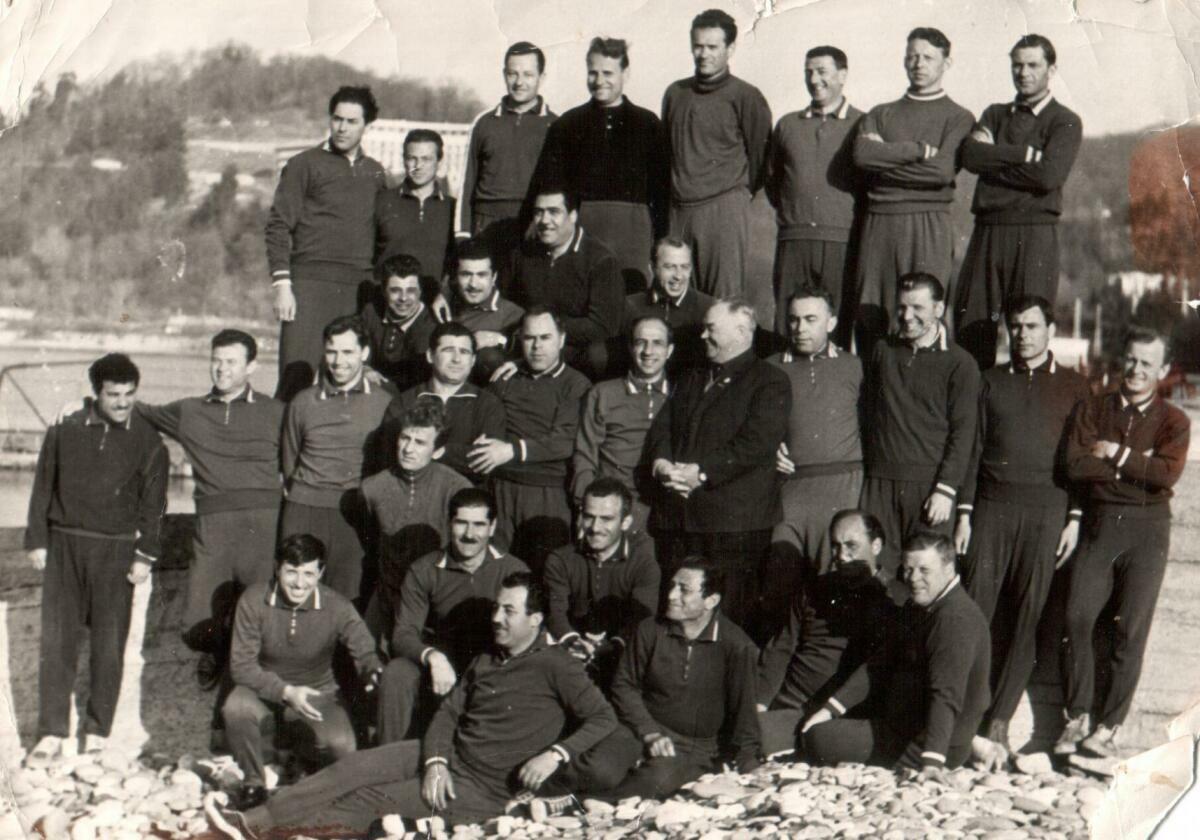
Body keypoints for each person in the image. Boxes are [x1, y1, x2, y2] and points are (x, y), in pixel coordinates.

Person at [204, 573, 616, 836]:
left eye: (509, 611)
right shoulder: (488, 659)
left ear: (536, 620)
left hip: (480, 787)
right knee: (351, 768)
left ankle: (268, 833)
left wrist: (556, 755)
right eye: (497, 607)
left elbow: (603, 717)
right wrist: (435, 761)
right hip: (443, 757)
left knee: (366, 802)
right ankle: (253, 822)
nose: (496, 618)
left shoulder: (557, 665)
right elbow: (449, 713)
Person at [953, 296, 1090, 759]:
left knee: (1029, 619)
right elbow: (972, 451)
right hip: (992, 509)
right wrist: (965, 513)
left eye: (1032, 326)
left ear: (1051, 330)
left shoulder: (1075, 386)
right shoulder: (990, 381)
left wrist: (1073, 518)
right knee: (976, 611)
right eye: (1016, 326)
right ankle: (962, 719)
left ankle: (998, 723)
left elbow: (1079, 461)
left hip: (1047, 512)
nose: (1023, 334)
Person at [25, 354, 168, 761]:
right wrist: (37, 540)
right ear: (96, 393)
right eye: (113, 395)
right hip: (65, 544)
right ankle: (51, 732)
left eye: (129, 394)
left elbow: (155, 505)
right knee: (57, 642)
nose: (122, 402)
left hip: (116, 551)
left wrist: (145, 554)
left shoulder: (148, 440)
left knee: (109, 645)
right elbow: (43, 484)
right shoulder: (65, 428)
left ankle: (97, 732)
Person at [1055, 327, 1190, 758]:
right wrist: (1135, 469)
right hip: (1101, 525)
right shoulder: (1094, 408)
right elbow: (1075, 465)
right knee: (1077, 616)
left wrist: (1114, 454)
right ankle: (1077, 717)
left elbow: (1165, 475)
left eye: (1147, 363)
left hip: (1148, 531)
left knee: (1130, 629)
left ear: (1163, 370)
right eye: (1131, 360)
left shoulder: (1175, 421)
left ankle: (1107, 728)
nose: (1136, 370)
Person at [540, 558, 759, 809]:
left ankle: (572, 805)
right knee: (599, 769)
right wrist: (650, 732)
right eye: (672, 586)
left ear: (711, 600)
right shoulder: (650, 629)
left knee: (654, 782)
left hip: (693, 745)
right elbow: (624, 685)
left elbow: (744, 711)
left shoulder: (736, 646)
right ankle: (538, 793)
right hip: (638, 727)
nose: (671, 595)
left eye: (684, 590)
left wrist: (749, 764)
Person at [646, 298, 790, 637]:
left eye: (711, 329)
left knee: (728, 622)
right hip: (683, 522)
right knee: (678, 618)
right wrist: (662, 463)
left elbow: (756, 443)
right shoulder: (692, 376)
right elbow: (663, 427)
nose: (703, 336)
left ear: (741, 331)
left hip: (734, 527)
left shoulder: (769, 381)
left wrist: (700, 473)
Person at [800, 532, 991, 774]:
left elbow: (945, 695)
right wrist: (829, 710)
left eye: (924, 570)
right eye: (908, 569)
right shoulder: (923, 603)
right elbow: (880, 662)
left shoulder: (954, 619)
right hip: (908, 723)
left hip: (926, 744)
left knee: (818, 739)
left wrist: (932, 764)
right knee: (819, 723)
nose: (914, 579)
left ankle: (967, 746)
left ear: (949, 569)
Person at [223, 534, 382, 810]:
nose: (299, 583)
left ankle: (303, 760)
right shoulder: (253, 599)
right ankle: (254, 783)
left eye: (308, 573)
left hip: (316, 692)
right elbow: (241, 666)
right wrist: (285, 692)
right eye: (291, 572)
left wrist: (373, 670)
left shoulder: (337, 605)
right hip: (263, 689)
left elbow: (364, 649)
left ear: (320, 572)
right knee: (235, 708)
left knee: (342, 746)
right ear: (277, 568)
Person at [955, 35, 1083, 369]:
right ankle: (974, 402)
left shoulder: (1064, 121)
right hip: (988, 231)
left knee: (1028, 331)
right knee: (972, 327)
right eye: (1017, 65)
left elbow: (1048, 177)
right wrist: (1024, 155)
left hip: (1035, 234)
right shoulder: (994, 114)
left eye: (1033, 65)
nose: (1023, 73)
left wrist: (994, 160)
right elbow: (971, 156)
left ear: (1051, 70)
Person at [851, 28, 974, 354]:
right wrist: (918, 151)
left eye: (928, 57)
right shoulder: (880, 114)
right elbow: (863, 157)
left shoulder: (958, 117)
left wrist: (885, 162)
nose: (919, 64)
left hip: (928, 223)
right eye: (912, 56)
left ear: (947, 63)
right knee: (872, 313)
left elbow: (941, 171)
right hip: (880, 223)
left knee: (925, 312)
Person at [375, 488, 529, 743]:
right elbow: (403, 634)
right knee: (398, 673)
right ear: (449, 524)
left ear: (492, 527)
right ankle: (389, 756)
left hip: (492, 661)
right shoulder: (425, 569)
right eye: (461, 523)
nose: (469, 534)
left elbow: (527, 631)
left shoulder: (512, 569)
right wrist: (433, 657)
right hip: (443, 660)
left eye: (479, 525)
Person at [267, 86, 386, 401]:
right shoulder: (303, 164)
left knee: (353, 384)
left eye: (352, 121)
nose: (342, 128)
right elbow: (278, 225)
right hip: (309, 285)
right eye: (337, 119)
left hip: (358, 289)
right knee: (295, 381)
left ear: (366, 125)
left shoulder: (375, 173)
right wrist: (282, 285)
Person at [860, 274, 979, 577]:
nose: (907, 316)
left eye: (917, 308)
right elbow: (866, 412)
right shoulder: (882, 351)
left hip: (929, 490)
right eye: (901, 307)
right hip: (879, 485)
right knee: (877, 577)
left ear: (938, 309)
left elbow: (964, 433)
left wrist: (945, 489)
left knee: (924, 578)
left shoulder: (960, 363)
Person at [531, 37, 669, 291]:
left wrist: (660, 241)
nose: (599, 80)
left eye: (608, 73)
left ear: (625, 73)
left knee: (631, 297)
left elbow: (661, 192)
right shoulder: (567, 125)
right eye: (593, 72)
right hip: (584, 232)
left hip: (632, 234)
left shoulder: (648, 124)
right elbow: (548, 184)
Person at [757, 510, 898, 757]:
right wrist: (759, 705)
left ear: (876, 546)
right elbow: (781, 648)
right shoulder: (814, 589)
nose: (841, 556)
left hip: (839, 713)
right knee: (745, 732)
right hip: (791, 704)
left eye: (851, 546)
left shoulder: (893, 598)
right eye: (835, 546)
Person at [281, 315, 395, 602]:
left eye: (347, 352)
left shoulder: (384, 402)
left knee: (347, 597)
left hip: (354, 513)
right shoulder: (303, 401)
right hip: (304, 508)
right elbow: (290, 458)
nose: (338, 361)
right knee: (296, 593)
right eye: (332, 352)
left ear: (364, 353)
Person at [662, 8, 772, 298]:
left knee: (723, 301)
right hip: (680, 210)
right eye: (698, 46)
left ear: (730, 48)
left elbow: (760, 159)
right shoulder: (675, 93)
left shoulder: (746, 96)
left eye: (713, 47)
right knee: (678, 298)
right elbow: (669, 153)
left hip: (723, 209)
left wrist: (733, 196)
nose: (704, 54)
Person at [472, 307, 590, 570]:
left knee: (545, 571)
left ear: (561, 339)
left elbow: (564, 440)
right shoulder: (505, 377)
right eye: (529, 338)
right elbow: (483, 421)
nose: (537, 347)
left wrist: (511, 450)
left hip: (546, 490)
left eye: (545, 338)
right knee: (494, 570)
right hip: (500, 485)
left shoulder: (575, 384)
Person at [765, 46, 863, 337]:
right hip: (794, 239)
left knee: (837, 323)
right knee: (788, 323)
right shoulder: (787, 124)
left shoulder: (862, 123)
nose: (814, 79)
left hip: (841, 241)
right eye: (808, 72)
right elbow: (773, 180)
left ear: (842, 75)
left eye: (822, 72)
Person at [769, 288, 864, 580]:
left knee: (832, 580)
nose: (800, 328)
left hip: (841, 487)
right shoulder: (770, 368)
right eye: (794, 319)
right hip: (790, 488)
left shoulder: (854, 366)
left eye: (811, 319)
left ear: (831, 323)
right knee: (780, 579)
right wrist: (769, 449)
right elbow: (754, 428)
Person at [361, 402, 472, 646]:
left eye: (420, 442)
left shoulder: (457, 489)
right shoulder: (373, 488)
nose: (408, 449)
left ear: (437, 451)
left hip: (437, 600)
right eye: (405, 438)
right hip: (388, 597)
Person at [543, 478, 660, 687]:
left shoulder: (644, 565)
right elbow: (555, 611)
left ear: (626, 522)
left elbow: (641, 619)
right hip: (571, 655)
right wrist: (573, 642)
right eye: (589, 517)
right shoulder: (560, 559)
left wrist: (610, 647)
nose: (595, 527)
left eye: (607, 519)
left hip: (623, 658)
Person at [505, 186, 624, 378]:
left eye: (554, 212)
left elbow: (603, 326)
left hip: (575, 351)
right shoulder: (524, 254)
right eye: (539, 212)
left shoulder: (601, 260)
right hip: (529, 343)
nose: (544, 220)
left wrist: (550, 330)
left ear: (573, 216)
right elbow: (508, 303)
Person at [456, 42, 556, 263]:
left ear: (542, 77)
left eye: (528, 74)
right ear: (504, 75)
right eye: (513, 74)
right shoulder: (484, 122)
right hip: (486, 224)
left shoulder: (555, 125)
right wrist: (462, 233)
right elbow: (467, 182)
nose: (519, 82)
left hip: (533, 225)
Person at [572, 316, 673, 531]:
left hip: (664, 507)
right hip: (612, 507)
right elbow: (585, 455)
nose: (648, 351)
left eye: (657, 343)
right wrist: (584, 507)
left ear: (669, 351)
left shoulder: (680, 395)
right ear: (630, 348)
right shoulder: (603, 393)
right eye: (640, 342)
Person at [382, 321, 507, 483]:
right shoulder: (405, 401)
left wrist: (443, 452)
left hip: (466, 494)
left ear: (473, 360)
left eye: (464, 352)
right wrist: (460, 453)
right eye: (448, 350)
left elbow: (484, 460)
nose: (456, 359)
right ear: (430, 356)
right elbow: (390, 454)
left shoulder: (488, 404)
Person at [376, 129, 456, 287]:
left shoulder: (452, 208)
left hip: (434, 299)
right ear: (404, 160)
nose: (418, 166)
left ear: (439, 162)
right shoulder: (382, 201)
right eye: (412, 158)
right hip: (389, 297)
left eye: (426, 159)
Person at [623, 237, 715, 372]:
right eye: (670, 267)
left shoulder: (710, 308)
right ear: (652, 268)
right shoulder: (629, 306)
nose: (678, 276)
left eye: (684, 267)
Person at [442, 238, 524, 376]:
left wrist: (501, 340)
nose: (473, 284)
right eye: (466, 274)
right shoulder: (442, 307)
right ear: (455, 277)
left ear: (494, 277)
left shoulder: (512, 314)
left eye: (481, 275)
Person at [359, 253, 436, 392]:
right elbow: (359, 351)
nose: (403, 298)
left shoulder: (429, 324)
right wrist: (365, 369)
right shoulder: (371, 312)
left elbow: (418, 380)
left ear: (420, 291)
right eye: (395, 290)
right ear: (383, 291)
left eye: (411, 291)